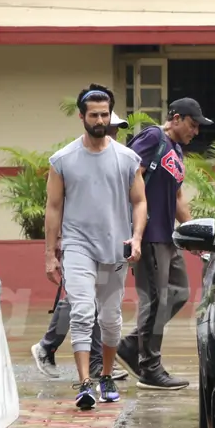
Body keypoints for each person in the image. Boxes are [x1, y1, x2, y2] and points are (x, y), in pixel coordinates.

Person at [45, 84, 148, 409]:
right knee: (82, 312)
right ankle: (85, 383)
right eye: (94, 115)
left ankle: (105, 374)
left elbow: (140, 201)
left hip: (115, 247)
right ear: (82, 117)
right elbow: (54, 207)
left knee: (110, 319)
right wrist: (50, 254)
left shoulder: (127, 158)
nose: (100, 119)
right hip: (77, 247)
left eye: (105, 114)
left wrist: (137, 238)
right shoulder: (63, 160)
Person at [116, 98, 213, 391]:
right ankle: (150, 368)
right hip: (148, 234)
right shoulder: (153, 137)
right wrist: (134, 229)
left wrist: (194, 233)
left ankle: (131, 347)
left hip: (168, 236)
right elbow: (129, 176)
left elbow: (178, 197)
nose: (195, 132)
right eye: (192, 125)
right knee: (156, 301)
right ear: (176, 118)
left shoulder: (177, 151)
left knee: (180, 292)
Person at [31, 112, 130, 382]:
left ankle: (93, 363)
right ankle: (51, 348)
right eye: (111, 128)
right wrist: (57, 244)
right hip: (79, 244)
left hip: (109, 246)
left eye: (116, 130)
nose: (113, 134)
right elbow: (58, 204)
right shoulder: (72, 160)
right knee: (81, 305)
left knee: (100, 307)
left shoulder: (120, 159)